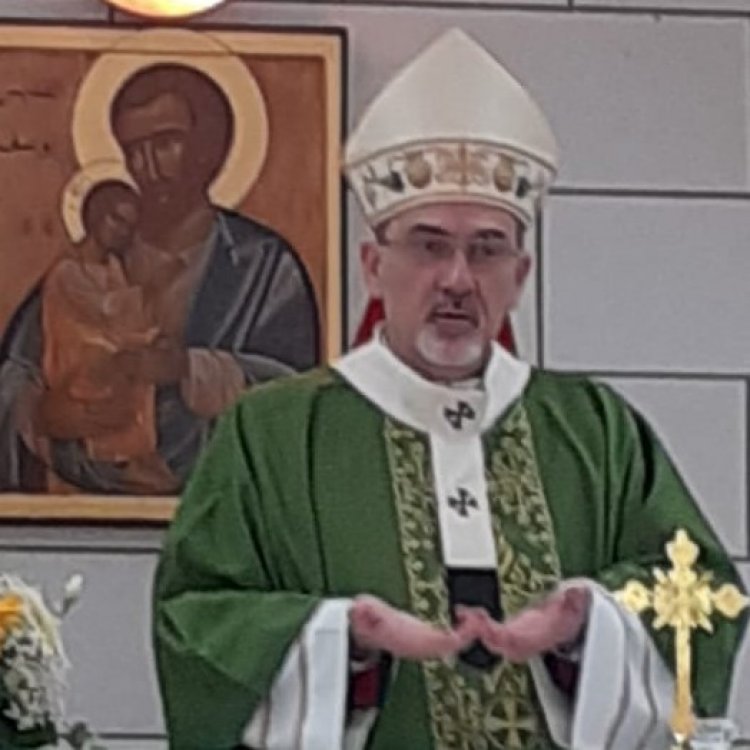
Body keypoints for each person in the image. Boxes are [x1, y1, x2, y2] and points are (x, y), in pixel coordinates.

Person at [152, 29, 747, 750]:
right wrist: (344, 639)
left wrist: (587, 624)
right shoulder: (271, 434)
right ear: (373, 266)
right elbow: (196, 617)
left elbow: (699, 597)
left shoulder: (594, 429)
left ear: (520, 276)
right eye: (429, 245)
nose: (458, 279)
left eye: (487, 249)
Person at [0, 62, 320, 494]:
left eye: (166, 143)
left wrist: (189, 369)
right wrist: (43, 412)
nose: (147, 166)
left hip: (226, 498)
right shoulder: (93, 258)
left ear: (210, 147)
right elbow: (17, 371)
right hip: (85, 491)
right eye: (133, 149)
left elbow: (301, 391)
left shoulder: (263, 266)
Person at [38, 178, 179, 493]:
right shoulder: (68, 271)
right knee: (115, 363)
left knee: (142, 365)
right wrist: (150, 290)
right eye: (117, 220)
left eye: (130, 225)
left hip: (111, 352)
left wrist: (152, 335)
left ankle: (138, 457)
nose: (123, 231)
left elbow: (126, 322)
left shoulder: (114, 266)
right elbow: (101, 311)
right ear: (94, 217)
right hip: (78, 361)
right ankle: (117, 460)